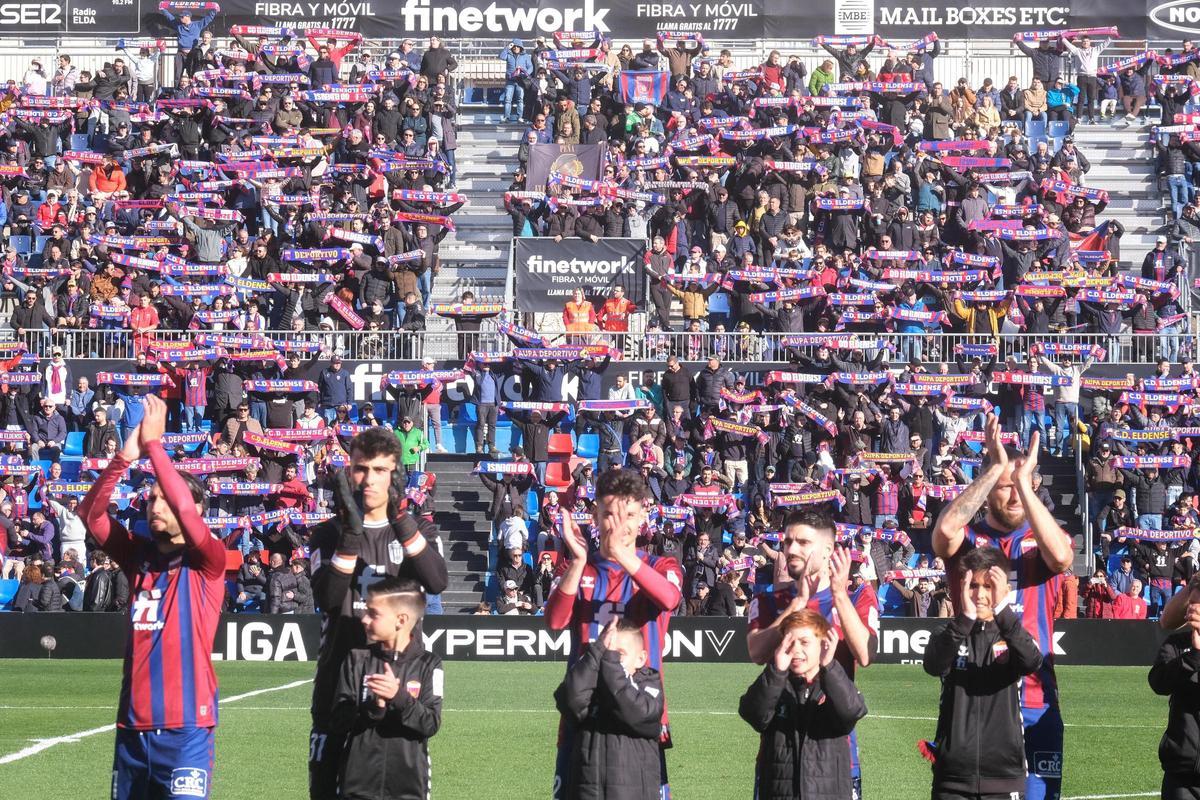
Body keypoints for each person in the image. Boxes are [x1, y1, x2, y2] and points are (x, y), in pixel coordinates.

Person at [77, 395, 226, 800]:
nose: (155, 504)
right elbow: (90, 515)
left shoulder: (208, 561)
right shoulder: (137, 556)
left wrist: (156, 446)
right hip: (131, 728)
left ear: (195, 509)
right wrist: (125, 457)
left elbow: (183, 503)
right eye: (151, 498)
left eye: (166, 498)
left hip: (186, 731)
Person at [932, 415, 1073, 800]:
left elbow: (1061, 557)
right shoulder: (970, 539)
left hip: (1034, 696)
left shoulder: (1039, 535)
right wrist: (996, 467)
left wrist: (1024, 485)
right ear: (988, 489)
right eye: (1006, 488)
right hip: (977, 699)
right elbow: (943, 533)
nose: (1014, 496)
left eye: (1023, 488)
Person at [306, 427, 449, 800]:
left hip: (400, 696)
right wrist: (352, 533)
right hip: (337, 694)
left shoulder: (418, 528)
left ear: (396, 474)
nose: (369, 479)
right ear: (348, 471)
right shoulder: (328, 533)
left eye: (381, 470)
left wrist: (399, 516)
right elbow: (329, 597)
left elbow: (436, 581)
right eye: (360, 468)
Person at [545, 468, 683, 799]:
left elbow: (669, 598)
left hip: (640, 713)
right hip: (584, 714)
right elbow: (553, 621)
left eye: (629, 515)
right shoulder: (579, 567)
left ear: (643, 517)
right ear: (594, 515)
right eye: (609, 514)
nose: (619, 525)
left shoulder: (662, 565)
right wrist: (577, 562)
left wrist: (622, 553)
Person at [744, 507, 878, 797]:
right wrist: (797, 604)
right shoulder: (769, 599)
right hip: (779, 747)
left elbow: (866, 655)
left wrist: (839, 595)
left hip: (834, 744)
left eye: (803, 543)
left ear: (828, 549)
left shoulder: (857, 597)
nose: (791, 549)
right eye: (788, 542)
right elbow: (756, 652)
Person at [922, 546, 1044, 800]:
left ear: (1004, 591)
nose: (979, 594)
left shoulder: (1011, 635)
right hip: (952, 778)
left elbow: (1032, 661)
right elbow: (933, 665)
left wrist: (1003, 613)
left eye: (988, 586)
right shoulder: (947, 633)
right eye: (973, 586)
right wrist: (964, 620)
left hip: (1003, 775)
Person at [330, 576, 443, 800]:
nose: (364, 619)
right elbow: (337, 721)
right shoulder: (356, 659)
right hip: (357, 784)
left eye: (373, 614)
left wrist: (398, 697)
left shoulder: (430, 664)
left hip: (409, 786)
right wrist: (374, 707)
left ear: (400, 620)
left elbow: (430, 723)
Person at [738, 608, 867, 800]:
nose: (796, 649)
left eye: (805, 642)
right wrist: (776, 671)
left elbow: (852, 712)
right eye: (790, 642)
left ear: (823, 644)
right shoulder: (776, 682)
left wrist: (829, 667)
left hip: (828, 791)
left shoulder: (832, 683)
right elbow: (753, 714)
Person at [554, 617, 666, 800]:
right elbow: (569, 700)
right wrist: (596, 650)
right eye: (607, 652)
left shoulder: (649, 684)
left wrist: (610, 661)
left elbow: (633, 711)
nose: (611, 657)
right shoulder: (592, 684)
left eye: (619, 653)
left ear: (641, 659)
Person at [1150, 574, 1200, 799]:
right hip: (1181, 771)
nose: (1191, 608)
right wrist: (1195, 657)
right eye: (1190, 602)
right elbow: (1159, 683)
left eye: (1197, 604)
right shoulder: (1177, 645)